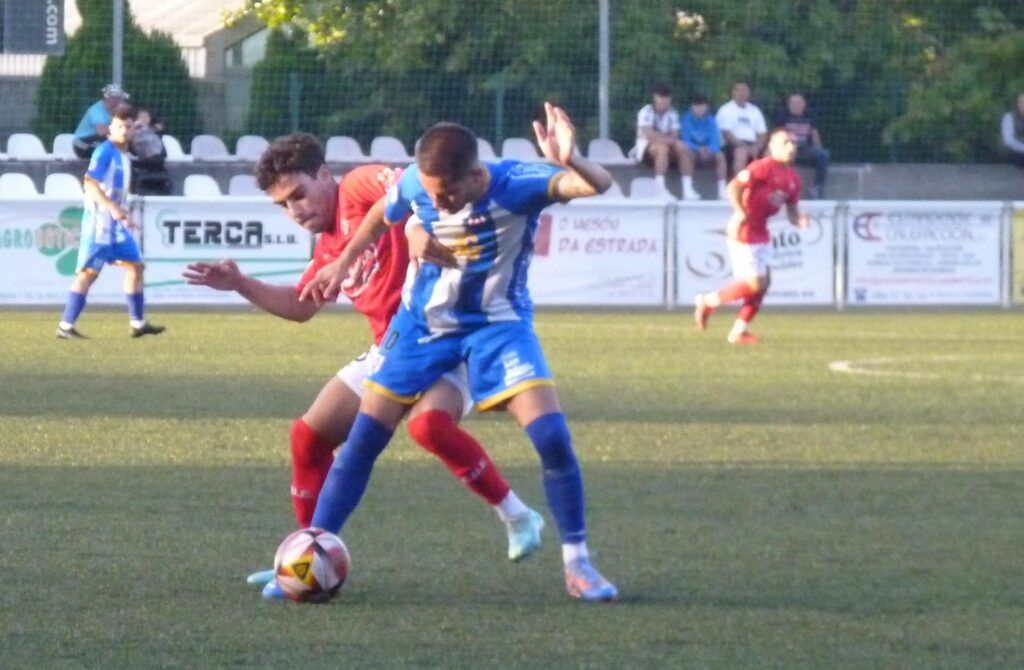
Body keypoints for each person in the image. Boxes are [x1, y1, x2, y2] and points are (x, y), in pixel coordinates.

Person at [182, 134, 543, 599]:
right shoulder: (328, 248)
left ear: (325, 176)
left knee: (430, 427)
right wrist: (240, 284)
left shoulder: (357, 186)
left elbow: (412, 194)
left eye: (299, 194)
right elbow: (300, 306)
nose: (294, 210)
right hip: (389, 351)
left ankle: (516, 514)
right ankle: (305, 556)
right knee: (308, 436)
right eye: (283, 205)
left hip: (449, 337)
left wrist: (415, 228)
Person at [299, 103, 619, 602]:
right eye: (431, 195)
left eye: (447, 193)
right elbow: (384, 216)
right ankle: (308, 557)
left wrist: (570, 159)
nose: (439, 203)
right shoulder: (418, 185)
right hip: (421, 325)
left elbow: (596, 185)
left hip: (499, 325)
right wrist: (344, 263)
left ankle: (578, 565)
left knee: (553, 437)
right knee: (361, 443)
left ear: (475, 175)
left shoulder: (516, 183)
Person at [57, 105, 165, 340]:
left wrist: (123, 213)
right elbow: (90, 184)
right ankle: (65, 326)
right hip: (99, 226)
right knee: (88, 274)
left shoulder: (125, 157)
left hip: (116, 227)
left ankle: (138, 323)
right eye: (119, 126)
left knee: (136, 266)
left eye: (128, 126)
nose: (124, 131)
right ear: (110, 130)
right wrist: (114, 208)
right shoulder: (104, 152)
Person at [693, 128, 810, 344]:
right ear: (772, 147)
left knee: (764, 284)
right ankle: (707, 302)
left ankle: (739, 331)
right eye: (785, 142)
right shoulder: (762, 167)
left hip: (762, 232)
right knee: (756, 284)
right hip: (744, 230)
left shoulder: (793, 179)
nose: (791, 147)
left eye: (794, 143)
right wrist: (740, 212)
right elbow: (733, 187)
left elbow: (792, 211)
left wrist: (800, 220)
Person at [633, 82, 693, 198]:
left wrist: (669, 140)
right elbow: (649, 135)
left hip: (668, 146)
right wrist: (668, 140)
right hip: (647, 149)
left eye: (666, 98)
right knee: (662, 148)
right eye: (661, 98)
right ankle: (660, 189)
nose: (664, 101)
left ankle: (688, 189)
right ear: (655, 98)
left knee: (682, 147)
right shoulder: (646, 112)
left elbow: (675, 134)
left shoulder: (673, 113)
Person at [774, 93, 830, 198]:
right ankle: (780, 187)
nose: (795, 105)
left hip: (805, 149)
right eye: (792, 103)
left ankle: (818, 187)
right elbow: (779, 136)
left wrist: (818, 148)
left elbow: (814, 134)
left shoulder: (810, 116)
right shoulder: (783, 116)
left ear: (804, 104)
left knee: (823, 155)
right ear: (788, 104)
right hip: (788, 149)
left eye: (798, 103)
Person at [680, 93, 728, 200]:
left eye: (702, 106)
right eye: (696, 106)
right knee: (686, 154)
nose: (699, 109)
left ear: (706, 107)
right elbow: (685, 140)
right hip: (693, 150)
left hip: (708, 151)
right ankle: (687, 190)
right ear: (691, 107)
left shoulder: (711, 121)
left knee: (720, 156)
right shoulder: (686, 120)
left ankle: (722, 190)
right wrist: (698, 148)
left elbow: (716, 141)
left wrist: (709, 149)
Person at [715, 81, 767, 178]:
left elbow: (762, 133)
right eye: (738, 90)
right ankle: (739, 188)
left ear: (749, 92)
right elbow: (726, 134)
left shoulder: (755, 110)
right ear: (732, 92)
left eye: (744, 90)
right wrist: (746, 147)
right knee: (741, 152)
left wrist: (758, 146)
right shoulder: (725, 109)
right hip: (732, 144)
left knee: (772, 153)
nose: (741, 93)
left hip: (753, 144)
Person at [72, 84, 129, 159]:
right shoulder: (97, 110)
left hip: (94, 142)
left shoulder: (113, 111)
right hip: (82, 144)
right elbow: (101, 131)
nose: (121, 102)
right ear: (111, 99)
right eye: (120, 99)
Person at [129, 107, 171, 195]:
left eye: (146, 117)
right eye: (141, 117)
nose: (143, 119)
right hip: (141, 161)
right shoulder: (132, 130)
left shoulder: (155, 130)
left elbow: (163, 129)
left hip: (157, 161)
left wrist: (156, 128)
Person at [1001, 92, 1024, 168]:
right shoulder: (1009, 117)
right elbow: (1008, 140)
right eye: (1021, 103)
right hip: (1018, 153)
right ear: (1017, 104)